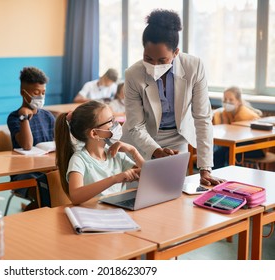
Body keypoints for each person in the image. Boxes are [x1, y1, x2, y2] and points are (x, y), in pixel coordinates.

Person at [121, 9, 223, 186]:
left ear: (175, 52)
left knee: (170, 195)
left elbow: (202, 118)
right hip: (140, 140)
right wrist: (156, 150)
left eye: (161, 60)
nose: (154, 65)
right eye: (148, 58)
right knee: (136, 195)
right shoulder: (133, 74)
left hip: (177, 140)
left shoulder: (194, 66)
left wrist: (205, 168)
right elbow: (135, 126)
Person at [55, 100, 144, 205]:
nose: (116, 124)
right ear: (94, 133)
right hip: (93, 216)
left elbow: (150, 179)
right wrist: (114, 179)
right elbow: (75, 196)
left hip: (116, 212)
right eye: (110, 121)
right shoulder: (79, 159)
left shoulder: (115, 154)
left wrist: (134, 152)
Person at [7, 67, 55, 209]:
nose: (40, 97)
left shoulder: (48, 116)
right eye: (36, 93)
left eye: (43, 93)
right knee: (48, 196)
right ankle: (29, 215)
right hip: (25, 174)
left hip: (48, 169)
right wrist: (24, 118)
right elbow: (27, 145)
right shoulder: (15, 117)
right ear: (23, 93)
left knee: (62, 191)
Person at [213, 86, 264, 169]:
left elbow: (236, 134)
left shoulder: (244, 114)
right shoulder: (227, 112)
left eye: (231, 99)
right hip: (239, 142)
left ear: (239, 101)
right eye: (225, 99)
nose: (227, 102)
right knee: (218, 153)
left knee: (230, 153)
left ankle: (233, 178)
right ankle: (215, 178)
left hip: (257, 147)